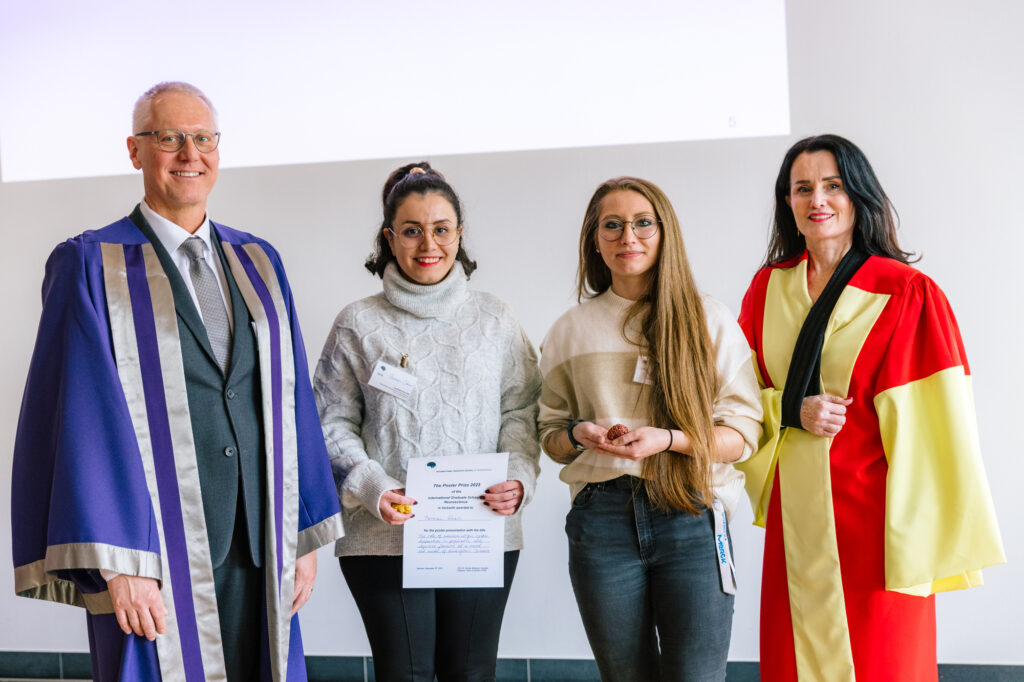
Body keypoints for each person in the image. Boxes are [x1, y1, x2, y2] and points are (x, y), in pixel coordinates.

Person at [10, 81, 344, 682]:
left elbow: (293, 401)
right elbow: (79, 418)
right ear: (136, 151)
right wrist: (119, 563)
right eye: (168, 138)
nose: (190, 153)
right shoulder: (90, 263)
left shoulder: (259, 261)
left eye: (203, 138)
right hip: (155, 549)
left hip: (259, 540)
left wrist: (303, 532)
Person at [737, 134, 1006, 681]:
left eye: (833, 186)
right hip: (798, 521)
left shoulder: (906, 291)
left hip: (876, 521)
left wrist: (920, 536)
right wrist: (791, 409)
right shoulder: (767, 290)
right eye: (802, 188)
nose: (818, 200)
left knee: (882, 661)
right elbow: (737, 399)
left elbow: (935, 426)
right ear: (786, 202)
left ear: (858, 195)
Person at [313, 162, 541, 682]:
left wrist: (520, 480)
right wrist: (372, 486)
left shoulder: (496, 318)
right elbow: (329, 422)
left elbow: (522, 411)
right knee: (405, 674)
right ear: (390, 239)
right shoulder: (357, 322)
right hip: (382, 535)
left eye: (441, 229)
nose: (427, 244)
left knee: (471, 672)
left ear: (459, 235)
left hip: (482, 532)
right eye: (412, 231)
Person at [538, 176, 762, 681]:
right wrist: (579, 435)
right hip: (603, 521)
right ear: (594, 240)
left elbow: (743, 437)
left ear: (665, 232)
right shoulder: (569, 330)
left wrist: (670, 439)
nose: (627, 237)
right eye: (611, 225)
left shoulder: (711, 320)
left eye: (642, 223)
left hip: (691, 512)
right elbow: (550, 436)